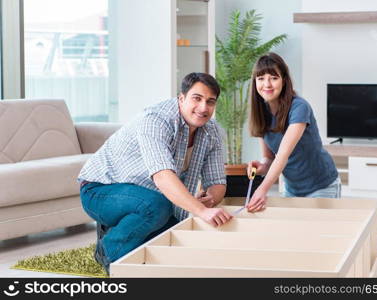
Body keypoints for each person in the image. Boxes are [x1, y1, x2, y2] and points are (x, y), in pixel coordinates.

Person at [78, 72, 232, 274]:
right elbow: (162, 176)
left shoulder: (211, 131)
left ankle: (118, 232)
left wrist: (210, 200)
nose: (203, 108)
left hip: (150, 196)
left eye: (210, 102)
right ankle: (108, 251)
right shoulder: (156, 120)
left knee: (173, 236)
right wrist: (200, 211)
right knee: (155, 207)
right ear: (181, 98)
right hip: (100, 190)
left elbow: (217, 181)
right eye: (197, 98)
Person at [246, 52, 341, 213]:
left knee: (319, 235)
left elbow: (283, 154)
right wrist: (262, 167)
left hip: (322, 186)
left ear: (284, 80)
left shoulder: (299, 107)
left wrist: (262, 190)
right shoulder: (261, 113)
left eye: (273, 78)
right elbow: (270, 157)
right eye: (261, 78)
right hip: (292, 188)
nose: (267, 84)